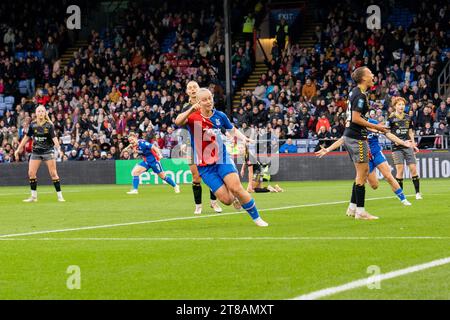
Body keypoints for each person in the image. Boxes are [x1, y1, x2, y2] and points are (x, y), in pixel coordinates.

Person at [176, 87, 268, 227]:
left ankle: (257, 218)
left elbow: (232, 130)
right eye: (204, 100)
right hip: (205, 167)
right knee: (226, 200)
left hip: (222, 159)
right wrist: (190, 110)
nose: (208, 102)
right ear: (198, 102)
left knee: (236, 188)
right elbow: (178, 121)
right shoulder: (193, 117)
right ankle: (234, 197)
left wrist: (244, 139)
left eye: (210, 98)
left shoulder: (220, 116)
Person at [316, 117, 413, 206]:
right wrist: (328, 149)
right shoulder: (355, 126)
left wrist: (403, 142)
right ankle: (369, 175)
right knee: (374, 186)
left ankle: (403, 199)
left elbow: (388, 134)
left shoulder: (373, 123)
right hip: (365, 158)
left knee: (388, 176)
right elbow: (343, 139)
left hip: (376, 153)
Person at [342, 67, 388, 220]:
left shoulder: (354, 92)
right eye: (370, 74)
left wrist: (375, 129)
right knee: (363, 174)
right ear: (363, 78)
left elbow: (357, 118)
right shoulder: (360, 95)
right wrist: (377, 127)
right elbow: (356, 118)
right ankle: (361, 212)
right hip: (357, 138)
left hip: (350, 136)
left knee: (359, 174)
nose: (373, 75)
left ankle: (352, 207)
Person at [175, 81, 222, 214]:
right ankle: (198, 205)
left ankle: (214, 202)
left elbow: (213, 121)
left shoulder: (207, 103)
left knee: (212, 173)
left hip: (207, 142)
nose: (192, 89)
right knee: (196, 177)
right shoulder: (185, 107)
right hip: (191, 144)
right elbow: (182, 124)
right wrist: (183, 142)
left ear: (199, 89)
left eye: (195, 87)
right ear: (187, 91)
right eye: (190, 88)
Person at [14, 105, 65, 202]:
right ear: (36, 113)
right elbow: (26, 137)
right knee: (31, 173)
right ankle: (33, 197)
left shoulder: (49, 125)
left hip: (48, 151)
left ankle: (60, 196)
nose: (40, 113)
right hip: (36, 152)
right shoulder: (33, 125)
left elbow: (54, 139)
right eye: (39, 111)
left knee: (53, 174)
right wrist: (18, 149)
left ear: (45, 113)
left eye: (42, 111)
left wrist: (59, 150)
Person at [386, 96, 422, 199]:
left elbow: (410, 132)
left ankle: (418, 193)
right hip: (397, 147)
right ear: (395, 106)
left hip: (408, 146)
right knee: (400, 171)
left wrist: (414, 145)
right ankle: (401, 195)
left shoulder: (408, 117)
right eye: (399, 105)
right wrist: (395, 141)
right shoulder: (391, 118)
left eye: (403, 104)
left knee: (413, 169)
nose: (401, 106)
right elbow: (387, 133)